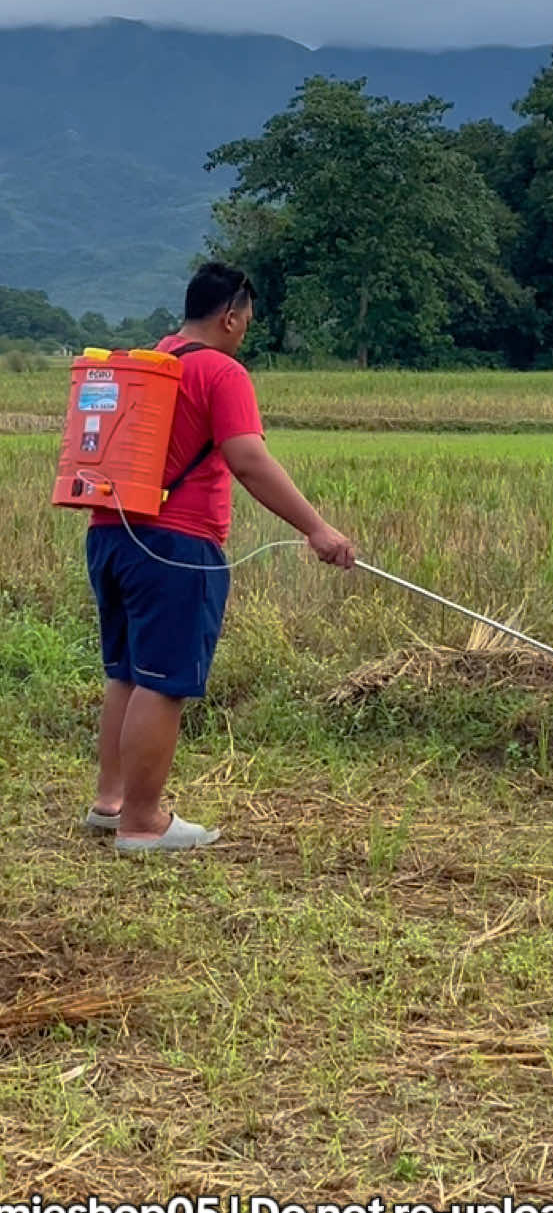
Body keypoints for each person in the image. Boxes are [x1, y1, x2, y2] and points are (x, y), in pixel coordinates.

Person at [84, 262, 355, 854]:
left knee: (127, 673)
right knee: (164, 682)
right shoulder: (220, 371)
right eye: (246, 322)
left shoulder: (150, 362)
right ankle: (143, 823)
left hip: (110, 535)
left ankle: (111, 802)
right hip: (177, 547)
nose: (244, 333)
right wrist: (317, 529)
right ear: (230, 317)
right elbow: (249, 460)